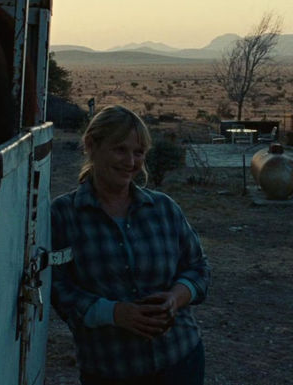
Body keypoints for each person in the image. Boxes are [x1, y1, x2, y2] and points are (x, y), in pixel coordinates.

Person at [50, 105, 211, 385]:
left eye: (138, 153)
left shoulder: (163, 208)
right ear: (91, 145)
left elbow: (198, 267)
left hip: (180, 360)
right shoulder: (63, 215)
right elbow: (55, 287)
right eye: (120, 149)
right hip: (111, 369)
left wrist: (175, 298)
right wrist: (114, 313)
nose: (130, 161)